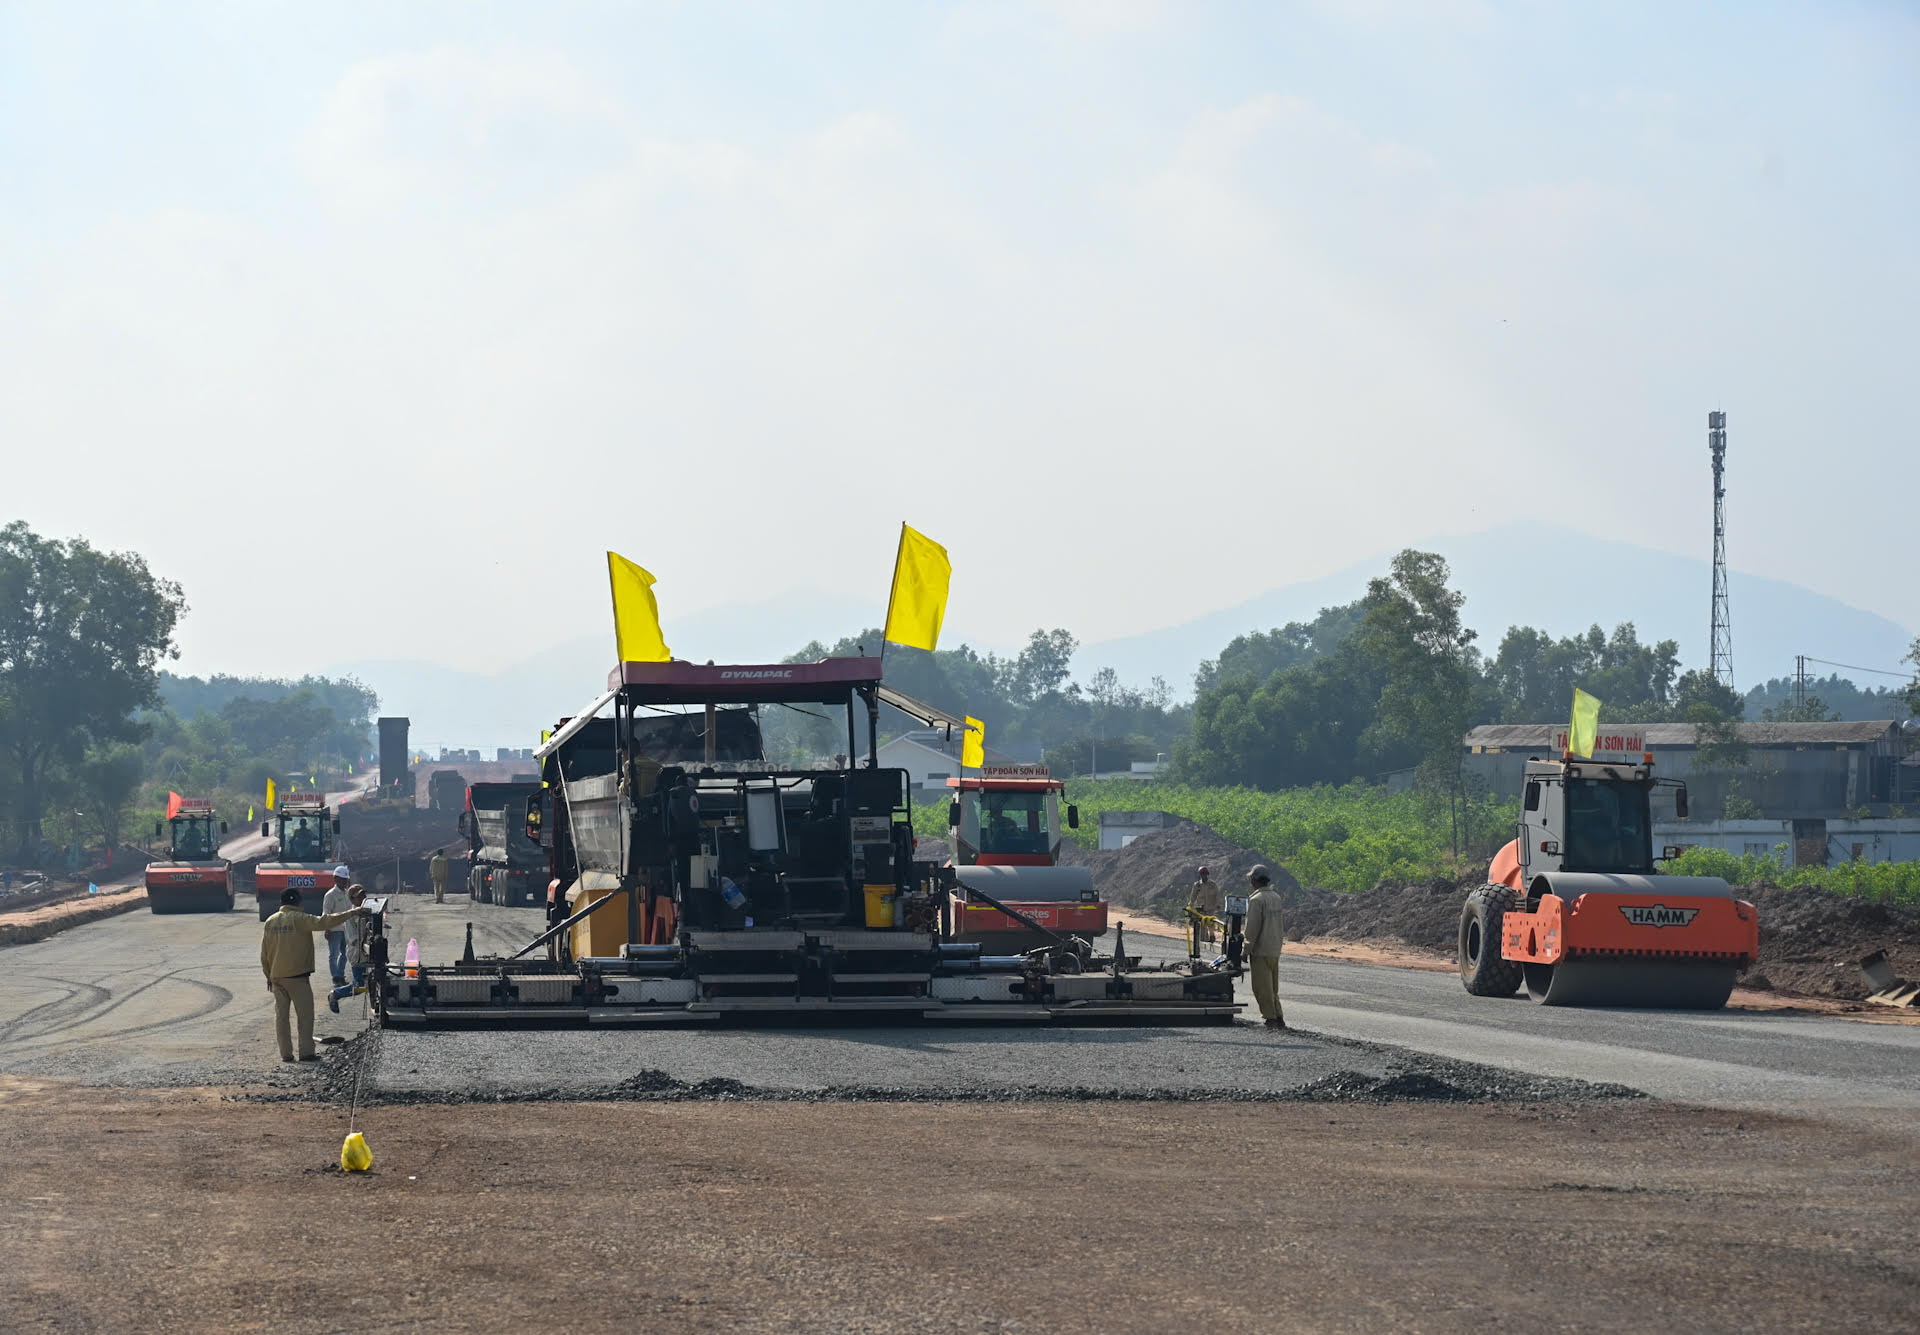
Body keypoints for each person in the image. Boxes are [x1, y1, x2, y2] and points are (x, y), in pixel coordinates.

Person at [261, 887, 368, 1062]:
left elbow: (264, 953)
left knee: (281, 1018)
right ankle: (306, 1053)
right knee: (305, 1017)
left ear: (281, 903)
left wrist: (268, 976)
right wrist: (352, 912)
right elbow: (324, 922)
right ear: (299, 902)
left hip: (277, 977)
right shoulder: (300, 919)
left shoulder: (270, 921)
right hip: (297, 978)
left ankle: (286, 1054)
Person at [1242, 865, 1287, 1030]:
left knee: (1262, 987)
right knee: (1273, 987)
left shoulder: (1256, 900)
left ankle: (1270, 1019)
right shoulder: (1276, 897)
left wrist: (1245, 950)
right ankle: (1279, 1016)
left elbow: (1251, 930)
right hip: (1274, 949)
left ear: (1254, 880)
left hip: (1261, 950)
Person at [328, 884, 371, 1014]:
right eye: (359, 897)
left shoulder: (367, 914)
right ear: (352, 900)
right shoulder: (350, 917)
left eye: (364, 895)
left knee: (371, 982)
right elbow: (354, 938)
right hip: (357, 954)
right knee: (358, 986)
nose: (363, 898)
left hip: (367, 953)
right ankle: (335, 994)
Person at [320, 865, 353, 987]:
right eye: (342, 879)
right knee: (333, 955)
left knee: (346, 954)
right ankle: (335, 977)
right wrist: (326, 929)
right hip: (334, 929)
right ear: (336, 879)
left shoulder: (347, 894)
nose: (345, 882)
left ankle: (340, 975)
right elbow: (326, 913)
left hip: (346, 929)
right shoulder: (330, 895)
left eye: (346, 880)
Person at [1187, 865, 1223, 946]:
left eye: (1204, 873)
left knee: (1210, 923)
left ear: (1207, 874)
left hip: (1210, 907)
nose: (1203, 875)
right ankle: (1203, 939)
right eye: (1202, 874)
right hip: (1201, 908)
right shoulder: (1197, 885)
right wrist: (1190, 906)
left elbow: (1217, 895)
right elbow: (1193, 896)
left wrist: (1218, 904)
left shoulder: (1212, 884)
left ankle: (1212, 936)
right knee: (1202, 923)